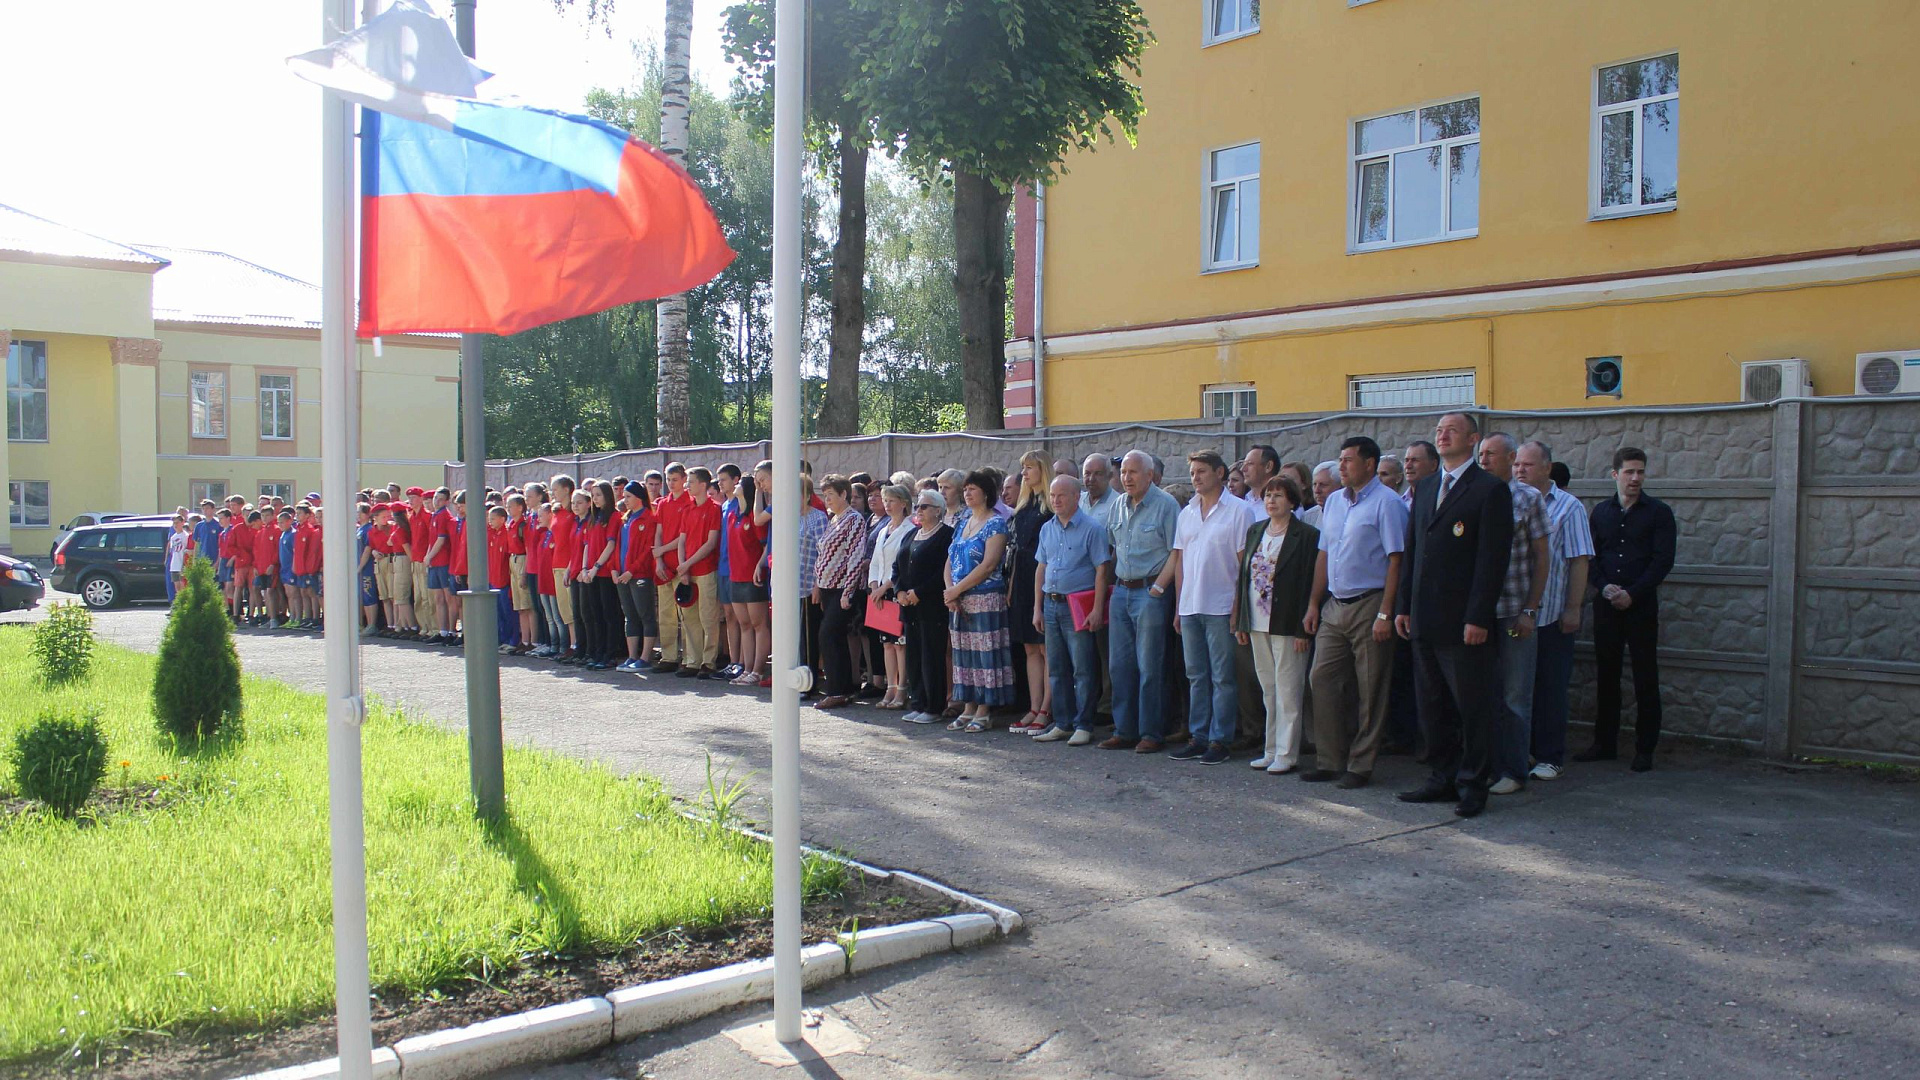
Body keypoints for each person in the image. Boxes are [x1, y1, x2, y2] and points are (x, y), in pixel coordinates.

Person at [1395, 412, 1514, 818]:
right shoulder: (1427, 487)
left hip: (1464, 622)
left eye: (1452, 430)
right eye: (1439, 431)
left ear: (1473, 439)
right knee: (1433, 704)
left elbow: (1491, 560)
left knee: (1472, 705)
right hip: (1424, 618)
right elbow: (1413, 552)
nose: (1442, 436)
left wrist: (1478, 617)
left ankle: (1473, 783)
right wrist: (1403, 607)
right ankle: (1441, 777)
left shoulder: (1489, 490)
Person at [1301, 436, 1409, 788]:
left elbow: (1397, 560)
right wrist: (1314, 603)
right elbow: (1323, 554)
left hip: (1370, 603)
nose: (1342, 465)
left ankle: (1361, 765)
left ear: (1369, 464)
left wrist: (1386, 613)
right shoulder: (1333, 502)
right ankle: (1330, 759)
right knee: (1322, 679)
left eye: (1348, 460)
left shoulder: (1387, 503)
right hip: (1335, 603)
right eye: (1341, 459)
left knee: (1370, 686)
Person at [1581, 446, 1675, 772]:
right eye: (1629, 472)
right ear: (1615, 474)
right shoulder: (1601, 513)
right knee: (1607, 675)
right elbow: (1589, 556)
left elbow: (1662, 561)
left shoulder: (1658, 513)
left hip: (1640, 606)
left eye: (1640, 472)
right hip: (1606, 606)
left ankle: (1645, 748)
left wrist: (1632, 594)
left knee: (1645, 676)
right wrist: (1603, 586)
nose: (1635, 478)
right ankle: (1604, 743)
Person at [1515, 439, 1594, 782]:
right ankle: (1522, 750)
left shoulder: (1569, 507)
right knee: (1517, 688)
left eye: (1527, 465)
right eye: (1517, 465)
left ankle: (1550, 756)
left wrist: (1573, 608)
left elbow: (1578, 560)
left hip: (1551, 615)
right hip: (1515, 613)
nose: (1520, 471)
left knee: (1550, 687)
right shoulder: (1510, 501)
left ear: (1547, 467)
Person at [1167, 450, 1252, 765]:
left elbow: (1245, 566)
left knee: (1222, 677)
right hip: (1191, 605)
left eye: (1202, 471)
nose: (1195, 477)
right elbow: (1180, 562)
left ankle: (1220, 740)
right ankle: (1198, 736)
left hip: (1220, 605)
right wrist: (1178, 606)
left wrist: (1237, 607)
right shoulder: (1186, 513)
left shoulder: (1239, 511)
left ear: (1220, 473)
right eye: (1192, 472)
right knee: (1196, 675)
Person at [1476, 433, 1550, 795]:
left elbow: (1541, 556)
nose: (1484, 460)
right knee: (1483, 694)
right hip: (1479, 613)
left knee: (1514, 695)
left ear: (1510, 457)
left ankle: (1514, 770)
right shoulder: (1473, 493)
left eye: (1491, 454)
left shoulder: (1528, 498)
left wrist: (1530, 609)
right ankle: (1486, 765)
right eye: (1481, 454)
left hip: (1514, 611)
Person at [1233, 476, 1318, 774]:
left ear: (1292, 501)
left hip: (1287, 623)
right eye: (1268, 495)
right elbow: (1243, 579)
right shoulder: (1256, 530)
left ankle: (1287, 753)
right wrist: (1241, 620)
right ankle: (1270, 750)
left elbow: (1309, 583)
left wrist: (1303, 630)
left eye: (1279, 496)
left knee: (1288, 689)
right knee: (1268, 688)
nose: (1271, 500)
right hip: (1257, 621)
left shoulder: (1306, 535)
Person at [1100, 450, 1180, 753]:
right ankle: (1124, 729)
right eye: (1123, 473)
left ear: (1150, 475)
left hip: (1150, 592)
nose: (1126, 477)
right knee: (1120, 666)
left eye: (1133, 472)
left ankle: (1151, 732)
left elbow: (1177, 551)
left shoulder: (1166, 505)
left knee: (1150, 666)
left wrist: (1159, 588)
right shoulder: (1117, 505)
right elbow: (1112, 548)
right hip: (1121, 591)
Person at [1031, 475, 1111, 745]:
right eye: (1053, 495)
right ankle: (1063, 722)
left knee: (1083, 668)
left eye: (1062, 495)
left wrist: (1098, 609)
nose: (1056, 500)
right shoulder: (1047, 528)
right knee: (1056, 667)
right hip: (1051, 604)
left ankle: (1083, 724)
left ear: (1077, 497)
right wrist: (1037, 608)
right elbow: (1041, 568)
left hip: (1077, 607)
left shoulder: (1092, 528)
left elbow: (1102, 570)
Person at [944, 470, 1015, 730]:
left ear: (986, 492)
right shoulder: (962, 522)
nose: (967, 493)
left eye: (972, 489)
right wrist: (949, 590)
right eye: (965, 489)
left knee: (985, 654)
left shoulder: (996, 523)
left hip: (985, 597)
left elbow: (988, 565)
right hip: (959, 600)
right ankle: (968, 705)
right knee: (964, 655)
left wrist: (957, 589)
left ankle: (984, 708)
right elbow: (950, 559)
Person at [894, 490, 954, 723]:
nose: (919, 510)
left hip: (931, 605)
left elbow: (943, 571)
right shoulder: (911, 534)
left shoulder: (946, 535)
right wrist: (899, 590)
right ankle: (917, 701)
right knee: (914, 655)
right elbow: (897, 565)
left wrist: (919, 592)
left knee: (932, 655)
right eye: (918, 506)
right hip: (908, 605)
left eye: (924, 506)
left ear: (938, 510)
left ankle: (933, 706)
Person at [811, 474, 869, 708]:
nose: (827, 500)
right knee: (834, 637)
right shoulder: (833, 519)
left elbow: (855, 556)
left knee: (828, 634)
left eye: (831, 495)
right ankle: (843, 688)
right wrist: (818, 583)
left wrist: (848, 591)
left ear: (844, 494)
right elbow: (824, 555)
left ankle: (836, 690)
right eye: (825, 496)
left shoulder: (854, 520)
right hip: (827, 586)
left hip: (843, 587)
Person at [1007, 451, 1052, 733]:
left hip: (1043, 575)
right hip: (1021, 578)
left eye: (1030, 467)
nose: (1025, 472)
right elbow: (1013, 551)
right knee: (1029, 647)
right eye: (1023, 467)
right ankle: (1034, 706)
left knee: (1045, 647)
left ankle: (1047, 708)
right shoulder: (1022, 506)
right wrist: (1010, 586)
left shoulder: (1050, 506)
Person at [865, 484, 915, 707]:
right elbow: (876, 561)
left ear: (903, 503)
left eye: (891, 500)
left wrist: (884, 587)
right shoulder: (885, 529)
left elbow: (901, 566)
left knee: (900, 644)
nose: (887, 504)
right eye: (885, 500)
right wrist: (874, 584)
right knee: (886, 644)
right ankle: (890, 687)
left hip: (895, 591)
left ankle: (902, 688)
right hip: (879, 593)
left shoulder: (909, 529)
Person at [677, 467, 724, 678]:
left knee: (708, 617)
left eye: (692, 482)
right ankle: (692, 661)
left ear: (703, 485)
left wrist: (687, 564)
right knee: (690, 618)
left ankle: (708, 661)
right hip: (688, 571)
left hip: (706, 570)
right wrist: (683, 567)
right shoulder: (687, 509)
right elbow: (682, 540)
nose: (688, 485)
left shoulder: (714, 509)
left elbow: (711, 542)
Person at [725, 475, 770, 686]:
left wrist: (759, 567)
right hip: (735, 576)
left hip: (753, 577)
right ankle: (746, 668)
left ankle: (758, 670)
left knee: (759, 623)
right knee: (744, 624)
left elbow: (765, 546)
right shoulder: (733, 515)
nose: (735, 486)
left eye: (740, 484)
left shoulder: (754, 517)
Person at [649, 464, 693, 673]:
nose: (671, 483)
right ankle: (668, 656)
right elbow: (659, 531)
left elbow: (684, 537)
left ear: (684, 479)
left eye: (675, 479)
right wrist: (658, 560)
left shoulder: (689, 502)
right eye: (669, 479)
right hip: (664, 565)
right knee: (666, 614)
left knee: (685, 614)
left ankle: (688, 657)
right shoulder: (664, 504)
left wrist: (662, 550)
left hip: (681, 564)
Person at [1079, 453, 1119, 525]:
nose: (1091, 479)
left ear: (1109, 476)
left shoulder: (1118, 505)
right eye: (1087, 473)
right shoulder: (1077, 500)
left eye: (1098, 474)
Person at [1402, 441, 1439, 510]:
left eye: (1415, 460)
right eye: (1406, 460)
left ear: (1433, 465)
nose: (1408, 466)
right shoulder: (1400, 502)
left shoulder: (1441, 499)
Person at [1300, 462, 1338, 528]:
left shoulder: (1349, 514)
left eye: (1323, 485)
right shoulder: (1307, 517)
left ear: (1339, 487)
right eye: (1314, 484)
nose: (1317, 491)